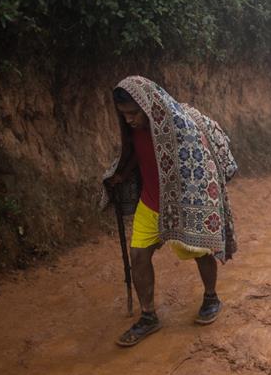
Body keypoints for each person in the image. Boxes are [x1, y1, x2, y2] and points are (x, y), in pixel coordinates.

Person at [100, 75, 238, 347]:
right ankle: (149, 316)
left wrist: (202, 204)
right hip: (150, 204)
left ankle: (211, 297)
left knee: (199, 251)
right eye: (124, 115)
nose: (129, 120)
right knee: (138, 255)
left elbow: (201, 164)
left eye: (133, 113)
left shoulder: (180, 128)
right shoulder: (134, 130)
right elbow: (137, 157)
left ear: (146, 105)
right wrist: (121, 175)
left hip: (183, 205)